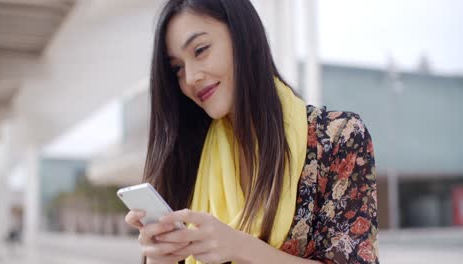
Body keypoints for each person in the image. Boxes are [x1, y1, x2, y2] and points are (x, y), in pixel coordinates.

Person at [125, 0, 379, 263]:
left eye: (200, 50)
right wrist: (159, 258)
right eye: (177, 67)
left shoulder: (338, 138)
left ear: (243, 35)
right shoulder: (187, 154)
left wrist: (240, 247)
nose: (190, 77)